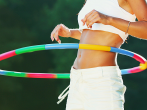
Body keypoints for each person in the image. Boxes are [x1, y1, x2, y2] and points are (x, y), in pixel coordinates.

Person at [50, 0, 147, 110]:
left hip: (102, 81)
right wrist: (70, 33)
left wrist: (109, 20)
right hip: (77, 79)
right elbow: (95, 34)